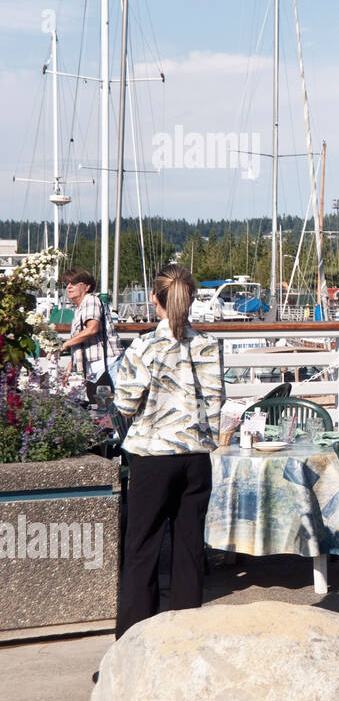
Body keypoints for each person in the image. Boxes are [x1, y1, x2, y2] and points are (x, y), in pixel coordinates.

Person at [113, 264, 224, 639]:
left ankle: (133, 642)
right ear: (190, 299)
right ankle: (185, 639)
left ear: (154, 300)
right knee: (189, 549)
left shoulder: (144, 345)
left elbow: (126, 404)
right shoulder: (208, 343)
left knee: (142, 550)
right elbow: (215, 400)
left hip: (153, 456)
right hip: (195, 456)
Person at [59, 267, 123, 384]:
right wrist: (70, 368)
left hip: (107, 365)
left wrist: (65, 345)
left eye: (74, 283)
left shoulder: (91, 300)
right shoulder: (81, 308)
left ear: (87, 287)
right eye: (67, 284)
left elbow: (92, 329)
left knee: (110, 400)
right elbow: (82, 343)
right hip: (95, 368)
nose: (69, 287)